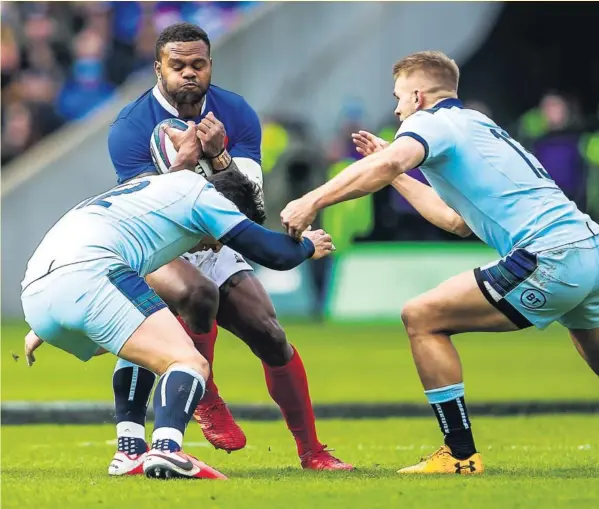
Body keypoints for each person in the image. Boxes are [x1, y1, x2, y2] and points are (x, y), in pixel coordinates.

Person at [280, 50, 599, 475]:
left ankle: (460, 454)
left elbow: (391, 159)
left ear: (417, 95)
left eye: (397, 98)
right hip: (588, 247)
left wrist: (310, 200)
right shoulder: (475, 124)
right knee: (588, 341)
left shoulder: (429, 122)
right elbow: (455, 222)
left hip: (549, 253)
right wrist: (395, 173)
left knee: (422, 316)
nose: (395, 109)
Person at [106, 22, 353, 474]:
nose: (188, 73)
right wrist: (183, 168)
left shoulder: (235, 113)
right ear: (158, 67)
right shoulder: (130, 128)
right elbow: (147, 213)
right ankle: (205, 392)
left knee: (271, 335)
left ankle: (313, 451)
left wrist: (219, 158)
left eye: (197, 64)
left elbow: (253, 208)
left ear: (210, 66)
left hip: (218, 235)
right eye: (177, 65)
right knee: (198, 294)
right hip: (159, 245)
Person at [21, 125, 334, 480]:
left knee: (140, 341)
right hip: (89, 277)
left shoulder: (144, 194)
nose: (209, 248)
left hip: (39, 295)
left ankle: (129, 452)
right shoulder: (203, 196)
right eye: (217, 241)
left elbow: (75, 255)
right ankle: (167, 449)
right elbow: (272, 253)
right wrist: (308, 245)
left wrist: (41, 327)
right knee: (188, 362)